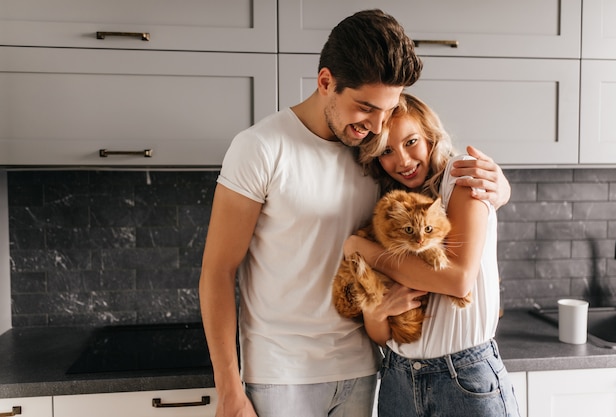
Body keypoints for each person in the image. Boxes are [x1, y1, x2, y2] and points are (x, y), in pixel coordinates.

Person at [199, 9, 511, 417]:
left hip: (367, 369)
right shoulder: (260, 147)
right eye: (365, 108)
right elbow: (218, 271)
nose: (378, 125)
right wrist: (228, 389)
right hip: (281, 373)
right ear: (326, 82)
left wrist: (499, 193)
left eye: (388, 109)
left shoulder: (377, 158)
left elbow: (437, 204)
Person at [344, 93, 520, 416]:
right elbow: (381, 335)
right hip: (397, 380)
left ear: (430, 135)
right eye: (386, 151)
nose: (403, 161)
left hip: (464, 382)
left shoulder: (460, 175)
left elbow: (458, 280)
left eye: (411, 141)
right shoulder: (391, 210)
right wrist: (378, 309)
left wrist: (362, 250)